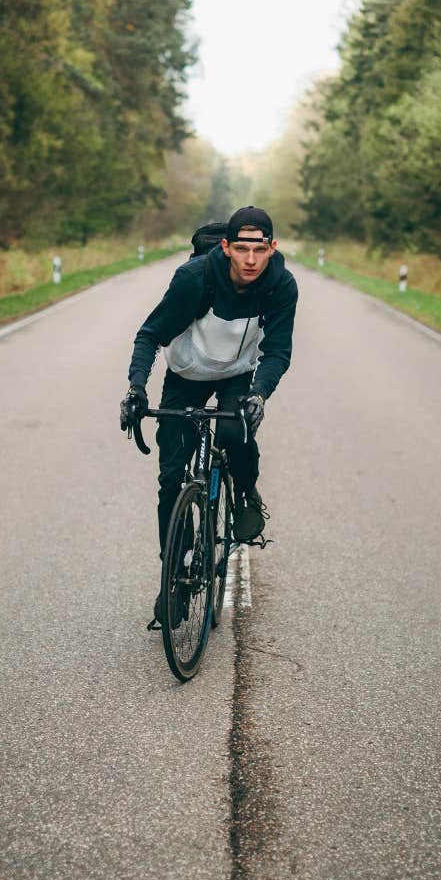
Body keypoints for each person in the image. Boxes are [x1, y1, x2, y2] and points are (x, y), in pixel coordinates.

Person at [120, 205, 299, 620]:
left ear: (272, 248)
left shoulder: (280, 285)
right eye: (241, 249)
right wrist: (135, 386)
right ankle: (172, 572)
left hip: (238, 374)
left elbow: (277, 351)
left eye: (259, 249)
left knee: (237, 435)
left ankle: (246, 489)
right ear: (226, 248)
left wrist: (259, 395)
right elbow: (150, 335)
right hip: (186, 374)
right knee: (170, 476)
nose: (251, 260)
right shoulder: (193, 279)